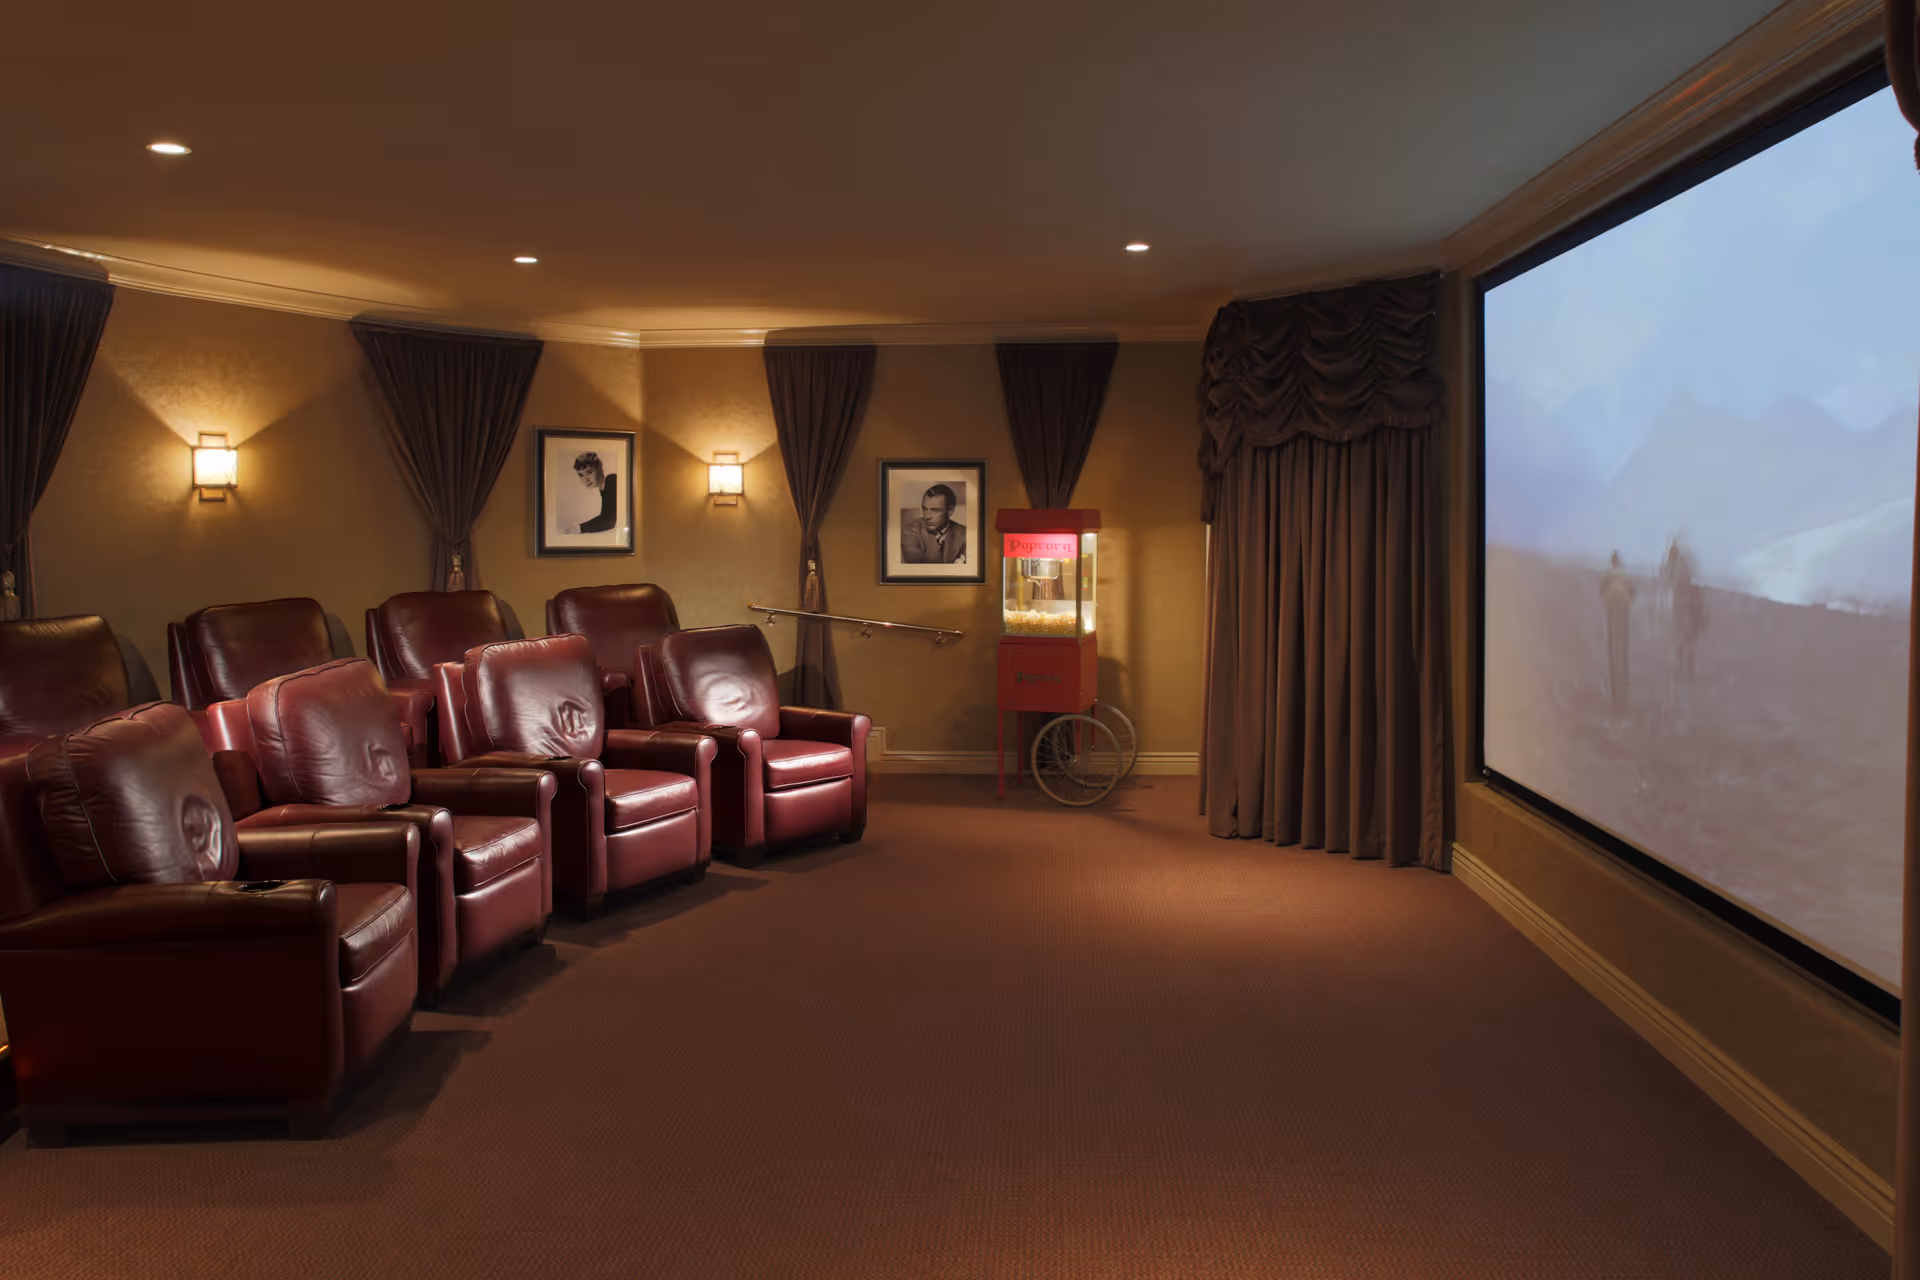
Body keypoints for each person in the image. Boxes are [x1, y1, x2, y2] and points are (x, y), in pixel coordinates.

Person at [1600, 550, 1635, 712]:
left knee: (1612, 647)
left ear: (1611, 561)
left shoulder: (1607, 575)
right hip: (1624, 612)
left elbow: (1601, 591)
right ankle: (1623, 694)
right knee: (1623, 649)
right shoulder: (1626, 575)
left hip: (1612, 610)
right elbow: (1633, 592)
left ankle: (1616, 697)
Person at [900, 483, 967, 564]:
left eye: (935, 510)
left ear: (950, 512)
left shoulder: (963, 533)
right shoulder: (910, 532)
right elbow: (918, 569)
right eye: (925, 509)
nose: (927, 516)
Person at [563, 451, 618, 535]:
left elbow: (608, 522)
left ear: (599, 468)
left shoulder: (612, 481)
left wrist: (579, 529)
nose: (586, 479)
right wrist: (579, 527)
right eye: (581, 475)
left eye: (589, 472)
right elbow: (604, 517)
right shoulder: (604, 488)